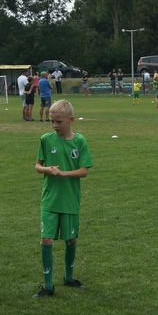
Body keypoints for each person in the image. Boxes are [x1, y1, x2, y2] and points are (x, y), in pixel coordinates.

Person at [33, 100, 93, 298]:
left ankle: (69, 277)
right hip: (49, 199)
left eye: (58, 121)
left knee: (71, 239)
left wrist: (63, 173)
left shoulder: (80, 141)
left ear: (71, 120)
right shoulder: (45, 139)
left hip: (70, 200)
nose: (54, 125)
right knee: (46, 239)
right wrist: (47, 169)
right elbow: (37, 166)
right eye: (52, 121)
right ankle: (48, 285)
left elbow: (84, 171)